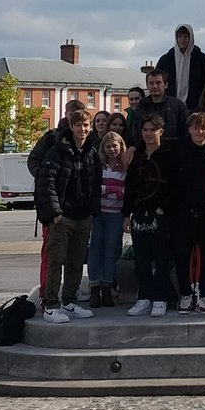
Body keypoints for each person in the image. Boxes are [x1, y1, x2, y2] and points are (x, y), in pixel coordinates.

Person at [35, 108, 101, 323]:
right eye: (79, 125)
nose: (83, 129)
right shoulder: (56, 151)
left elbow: (95, 182)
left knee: (76, 261)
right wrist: (55, 213)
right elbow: (46, 183)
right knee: (56, 260)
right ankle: (51, 305)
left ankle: (69, 300)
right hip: (62, 217)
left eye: (86, 125)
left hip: (83, 216)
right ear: (71, 127)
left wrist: (93, 211)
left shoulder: (92, 151)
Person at [27, 98, 85, 300]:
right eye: (72, 114)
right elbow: (33, 160)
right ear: (66, 115)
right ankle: (47, 292)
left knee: (75, 255)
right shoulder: (51, 137)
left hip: (77, 207)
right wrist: (45, 177)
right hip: (54, 206)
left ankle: (71, 293)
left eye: (79, 115)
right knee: (51, 253)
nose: (75, 119)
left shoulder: (86, 139)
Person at [122, 115, 173, 318]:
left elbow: (175, 185)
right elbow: (130, 186)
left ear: (161, 131)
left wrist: (164, 208)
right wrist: (126, 214)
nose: (149, 134)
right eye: (145, 130)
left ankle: (160, 298)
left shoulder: (170, 153)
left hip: (160, 214)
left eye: (153, 129)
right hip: (138, 214)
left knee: (161, 258)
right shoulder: (137, 155)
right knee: (140, 258)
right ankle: (144, 297)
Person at [171, 112, 205, 314]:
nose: (200, 132)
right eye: (196, 128)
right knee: (182, 254)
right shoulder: (178, 147)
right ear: (189, 129)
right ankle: (186, 294)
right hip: (183, 210)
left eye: (204, 128)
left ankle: (203, 295)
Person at [87, 132, 129, 309]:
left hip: (116, 214)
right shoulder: (98, 165)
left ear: (121, 147)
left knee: (111, 252)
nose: (112, 149)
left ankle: (107, 287)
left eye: (115, 146)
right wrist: (114, 189)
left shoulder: (125, 166)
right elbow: (95, 187)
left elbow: (126, 192)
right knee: (95, 250)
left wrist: (109, 189)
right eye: (108, 146)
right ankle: (94, 288)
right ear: (103, 148)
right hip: (98, 213)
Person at [156, 24, 205, 111]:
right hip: (170, 107)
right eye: (179, 36)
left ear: (191, 38)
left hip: (194, 108)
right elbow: (158, 81)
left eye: (186, 36)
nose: (182, 40)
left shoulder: (202, 59)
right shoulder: (165, 60)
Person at [142, 69, 189, 143]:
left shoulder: (178, 106)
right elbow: (137, 132)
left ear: (166, 85)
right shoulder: (142, 106)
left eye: (158, 83)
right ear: (147, 86)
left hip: (173, 150)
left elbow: (185, 132)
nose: (154, 86)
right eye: (151, 83)